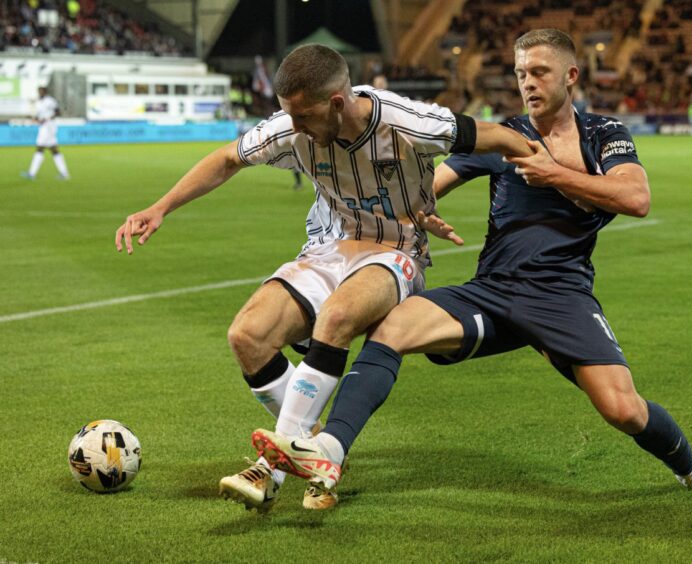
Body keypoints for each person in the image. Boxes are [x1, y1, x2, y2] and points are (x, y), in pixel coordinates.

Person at [253, 29, 692, 508]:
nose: (527, 83)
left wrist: (553, 173)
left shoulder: (604, 134)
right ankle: (330, 453)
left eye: (539, 72)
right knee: (392, 327)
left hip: (560, 296)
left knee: (623, 409)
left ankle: (691, 469)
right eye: (519, 73)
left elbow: (636, 197)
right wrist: (419, 213)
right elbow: (425, 191)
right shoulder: (504, 138)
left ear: (570, 75)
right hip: (490, 292)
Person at [114, 44, 534, 512]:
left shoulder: (407, 122)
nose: (295, 128)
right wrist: (159, 208)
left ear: (338, 101)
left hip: (395, 253)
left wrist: (556, 178)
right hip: (327, 250)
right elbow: (228, 158)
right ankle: (315, 452)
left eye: (304, 116)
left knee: (334, 318)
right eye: (288, 115)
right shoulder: (293, 128)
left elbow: (501, 137)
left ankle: (270, 468)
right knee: (247, 335)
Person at [21, 86, 70, 181]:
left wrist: (46, 119)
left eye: (41, 91)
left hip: (49, 127)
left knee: (40, 148)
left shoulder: (50, 101)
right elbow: (39, 116)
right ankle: (64, 173)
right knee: (54, 150)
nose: (40, 93)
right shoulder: (39, 102)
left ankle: (32, 174)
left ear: (45, 92)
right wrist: (34, 118)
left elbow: (58, 112)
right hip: (44, 127)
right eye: (39, 91)